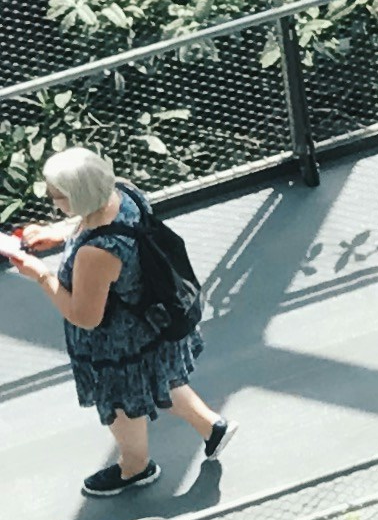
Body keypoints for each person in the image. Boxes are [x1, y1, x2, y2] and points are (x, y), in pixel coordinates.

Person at [10, 145, 227, 497]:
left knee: (122, 406)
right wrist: (63, 231)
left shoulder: (97, 253)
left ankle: (135, 467)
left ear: (79, 195)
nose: (52, 201)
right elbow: (95, 220)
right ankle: (212, 427)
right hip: (149, 322)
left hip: (119, 340)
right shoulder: (124, 192)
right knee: (159, 378)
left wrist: (41, 275)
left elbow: (84, 316)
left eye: (58, 196)